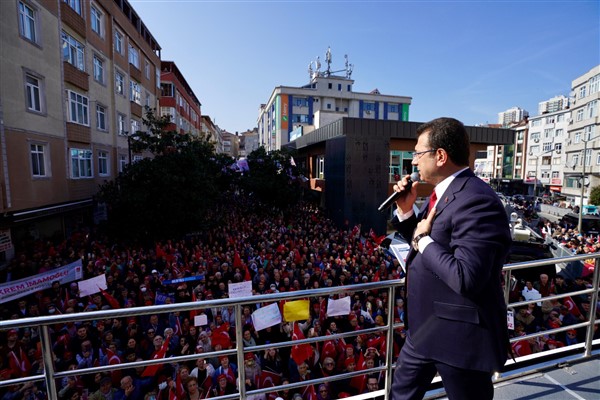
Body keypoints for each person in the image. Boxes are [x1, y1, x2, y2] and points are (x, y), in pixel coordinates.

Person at [390, 118, 511, 400]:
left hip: (459, 337)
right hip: (423, 329)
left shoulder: (477, 200)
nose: (414, 162)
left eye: (418, 154)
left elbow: (466, 276)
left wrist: (423, 239)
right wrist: (407, 213)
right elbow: (426, 246)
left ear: (440, 155)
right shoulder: (441, 194)